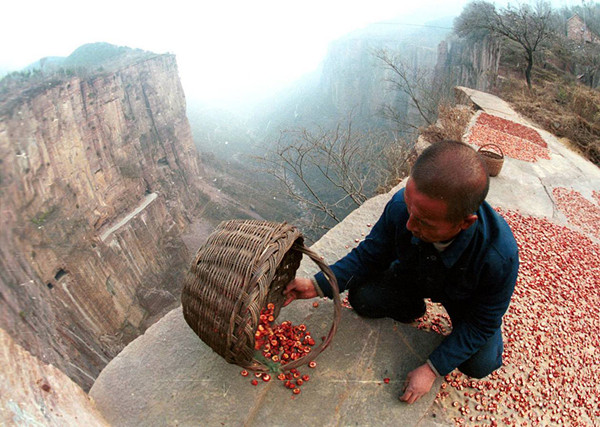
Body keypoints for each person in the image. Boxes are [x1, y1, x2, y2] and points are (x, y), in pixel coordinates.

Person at [283, 140, 519, 404]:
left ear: (465, 223)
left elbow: (482, 322)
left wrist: (433, 368)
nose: (409, 224)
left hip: (461, 299)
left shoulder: (499, 256)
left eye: (423, 222)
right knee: (364, 298)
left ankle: (447, 332)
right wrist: (317, 285)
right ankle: (412, 307)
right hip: (414, 275)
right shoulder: (401, 206)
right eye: (409, 208)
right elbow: (369, 256)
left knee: (479, 364)